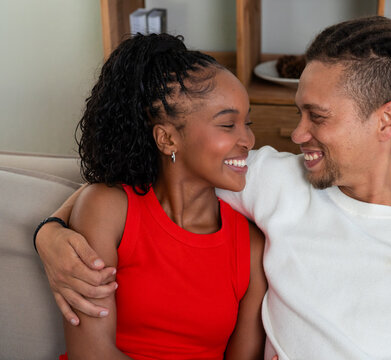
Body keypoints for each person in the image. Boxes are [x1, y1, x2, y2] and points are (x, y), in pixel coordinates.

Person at [36, 16, 391, 359]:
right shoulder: (277, 182)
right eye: (299, 111)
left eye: (316, 117)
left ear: (387, 120)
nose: (295, 135)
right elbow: (157, 170)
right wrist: (51, 230)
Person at [44, 33, 268, 359]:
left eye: (247, 123)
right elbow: (91, 354)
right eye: (227, 125)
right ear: (167, 139)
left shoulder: (250, 246)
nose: (247, 139)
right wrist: (46, 230)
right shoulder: (109, 210)